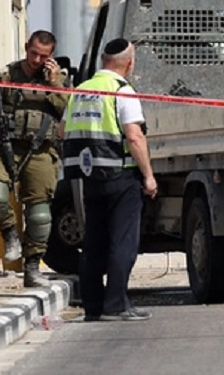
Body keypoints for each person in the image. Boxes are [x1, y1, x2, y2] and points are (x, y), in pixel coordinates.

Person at [61, 39, 158, 322]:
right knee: (122, 242)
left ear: (103, 60)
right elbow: (134, 136)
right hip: (120, 174)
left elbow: (61, 129)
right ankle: (116, 304)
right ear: (129, 63)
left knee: (94, 241)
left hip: (89, 176)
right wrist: (149, 176)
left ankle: (93, 306)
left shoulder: (80, 90)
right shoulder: (122, 91)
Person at [0, 30, 67, 288]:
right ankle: (11, 234)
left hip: (42, 151)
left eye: (43, 55)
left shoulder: (58, 80)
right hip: (6, 147)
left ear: (50, 56)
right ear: (26, 48)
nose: (36, 60)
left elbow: (67, 109)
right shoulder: (7, 76)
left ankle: (32, 268)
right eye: (33, 53)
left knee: (39, 215)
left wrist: (55, 83)